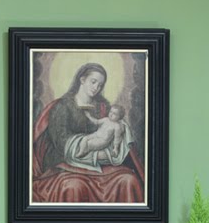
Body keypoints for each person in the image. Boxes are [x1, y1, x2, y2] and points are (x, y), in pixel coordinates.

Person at [32, 63, 144, 204]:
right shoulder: (62, 106)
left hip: (102, 164)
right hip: (68, 163)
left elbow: (115, 133)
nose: (96, 87)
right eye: (93, 81)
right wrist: (92, 153)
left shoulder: (104, 107)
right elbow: (61, 141)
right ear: (82, 79)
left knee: (128, 180)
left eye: (100, 85)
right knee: (74, 186)